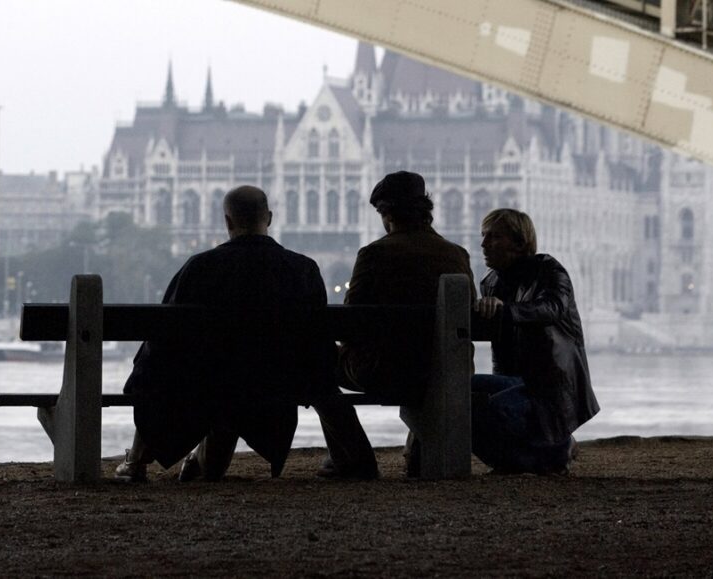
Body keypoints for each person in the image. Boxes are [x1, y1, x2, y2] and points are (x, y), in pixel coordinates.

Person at [114, 185, 335, 482]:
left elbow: (165, 331)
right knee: (234, 375)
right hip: (276, 385)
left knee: (159, 362)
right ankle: (204, 462)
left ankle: (137, 460)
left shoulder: (200, 267)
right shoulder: (303, 269)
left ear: (228, 222)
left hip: (207, 381)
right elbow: (317, 338)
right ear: (268, 218)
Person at [315, 171, 476, 478]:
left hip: (382, 372)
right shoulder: (457, 254)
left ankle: (353, 457)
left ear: (387, 214)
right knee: (427, 358)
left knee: (314, 359)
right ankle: (421, 449)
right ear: (425, 212)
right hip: (446, 372)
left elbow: (351, 320)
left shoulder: (374, 254)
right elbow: (466, 314)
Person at [471, 208, 599, 474]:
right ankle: (535, 454)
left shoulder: (549, 270)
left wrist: (505, 310)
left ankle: (550, 454)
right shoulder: (491, 282)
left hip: (551, 384)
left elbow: (552, 308)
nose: (484, 244)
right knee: (453, 390)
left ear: (520, 242)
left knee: (488, 412)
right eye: (484, 236)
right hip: (516, 381)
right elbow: (500, 345)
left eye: (494, 237)